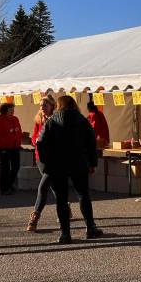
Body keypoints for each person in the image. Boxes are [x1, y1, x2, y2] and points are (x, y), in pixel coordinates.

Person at [36, 96, 103, 243]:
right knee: (83, 195)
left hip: (57, 165)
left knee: (61, 199)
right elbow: (92, 142)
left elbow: (40, 142)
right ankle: (90, 227)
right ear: (73, 104)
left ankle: (65, 234)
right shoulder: (82, 120)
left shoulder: (51, 121)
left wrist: (47, 163)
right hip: (79, 163)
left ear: (58, 105)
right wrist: (93, 163)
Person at [26, 94, 67, 232]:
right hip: (40, 158)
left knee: (43, 187)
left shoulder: (57, 119)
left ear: (52, 106)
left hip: (54, 159)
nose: (42, 107)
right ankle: (65, 209)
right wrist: (37, 140)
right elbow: (33, 138)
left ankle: (34, 218)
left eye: (45, 105)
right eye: (40, 105)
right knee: (54, 186)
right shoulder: (38, 120)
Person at [0, 102, 23, 195]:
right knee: (5, 169)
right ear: (5, 111)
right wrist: (4, 142)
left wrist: (18, 140)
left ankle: (9, 184)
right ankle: (4, 189)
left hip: (15, 147)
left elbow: (19, 131)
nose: (13, 111)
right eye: (11, 109)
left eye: (13, 109)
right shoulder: (0, 121)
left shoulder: (15, 119)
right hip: (5, 148)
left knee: (16, 167)